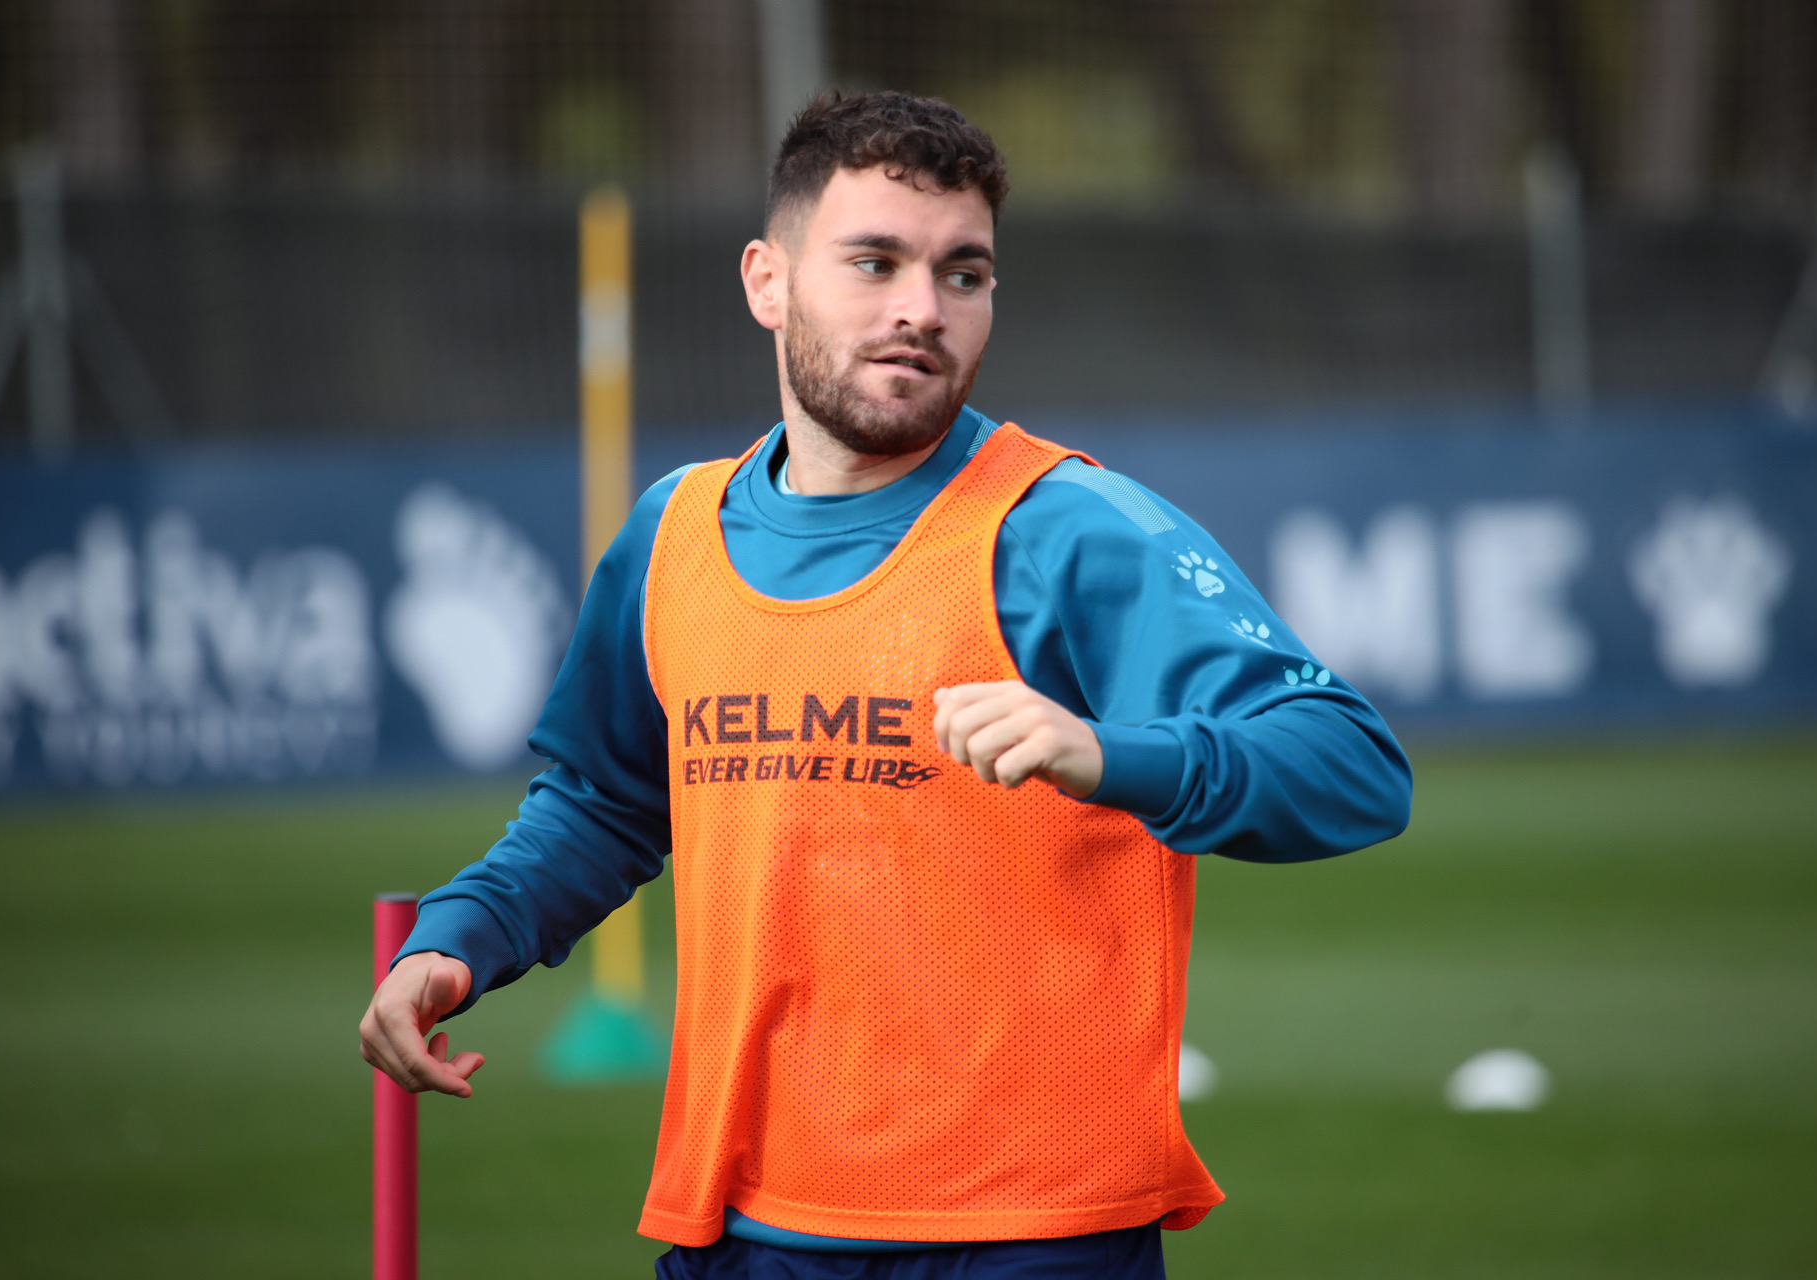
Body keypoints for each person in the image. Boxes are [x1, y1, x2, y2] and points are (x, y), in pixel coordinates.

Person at [360, 90, 1411, 1279]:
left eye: (965, 274)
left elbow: (1353, 765)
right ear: (768, 279)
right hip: (743, 1226)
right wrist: (459, 938)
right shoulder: (670, 535)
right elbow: (605, 802)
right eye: (875, 262)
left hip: (1028, 1236)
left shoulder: (1071, 530)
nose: (923, 308)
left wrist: (1111, 755)